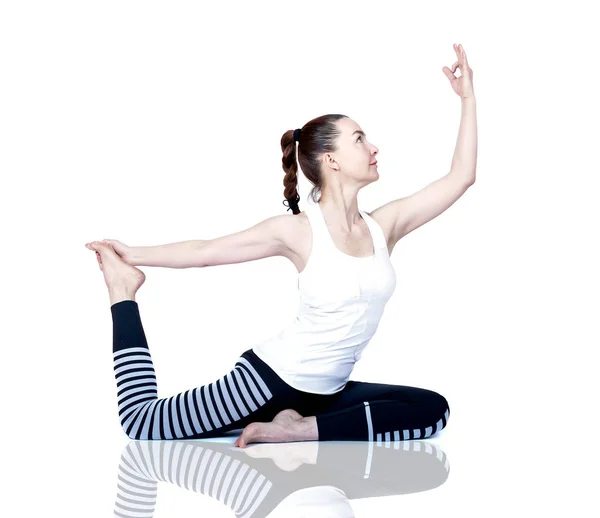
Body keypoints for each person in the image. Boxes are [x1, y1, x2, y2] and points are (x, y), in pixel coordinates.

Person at [86, 44, 475, 447]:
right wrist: (131, 255)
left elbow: (461, 176)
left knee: (431, 409)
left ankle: (300, 429)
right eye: (359, 139)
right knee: (142, 422)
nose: (374, 147)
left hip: (326, 396)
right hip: (265, 382)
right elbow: (205, 251)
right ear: (331, 160)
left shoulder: (383, 227)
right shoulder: (298, 232)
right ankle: (122, 290)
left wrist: (467, 98)